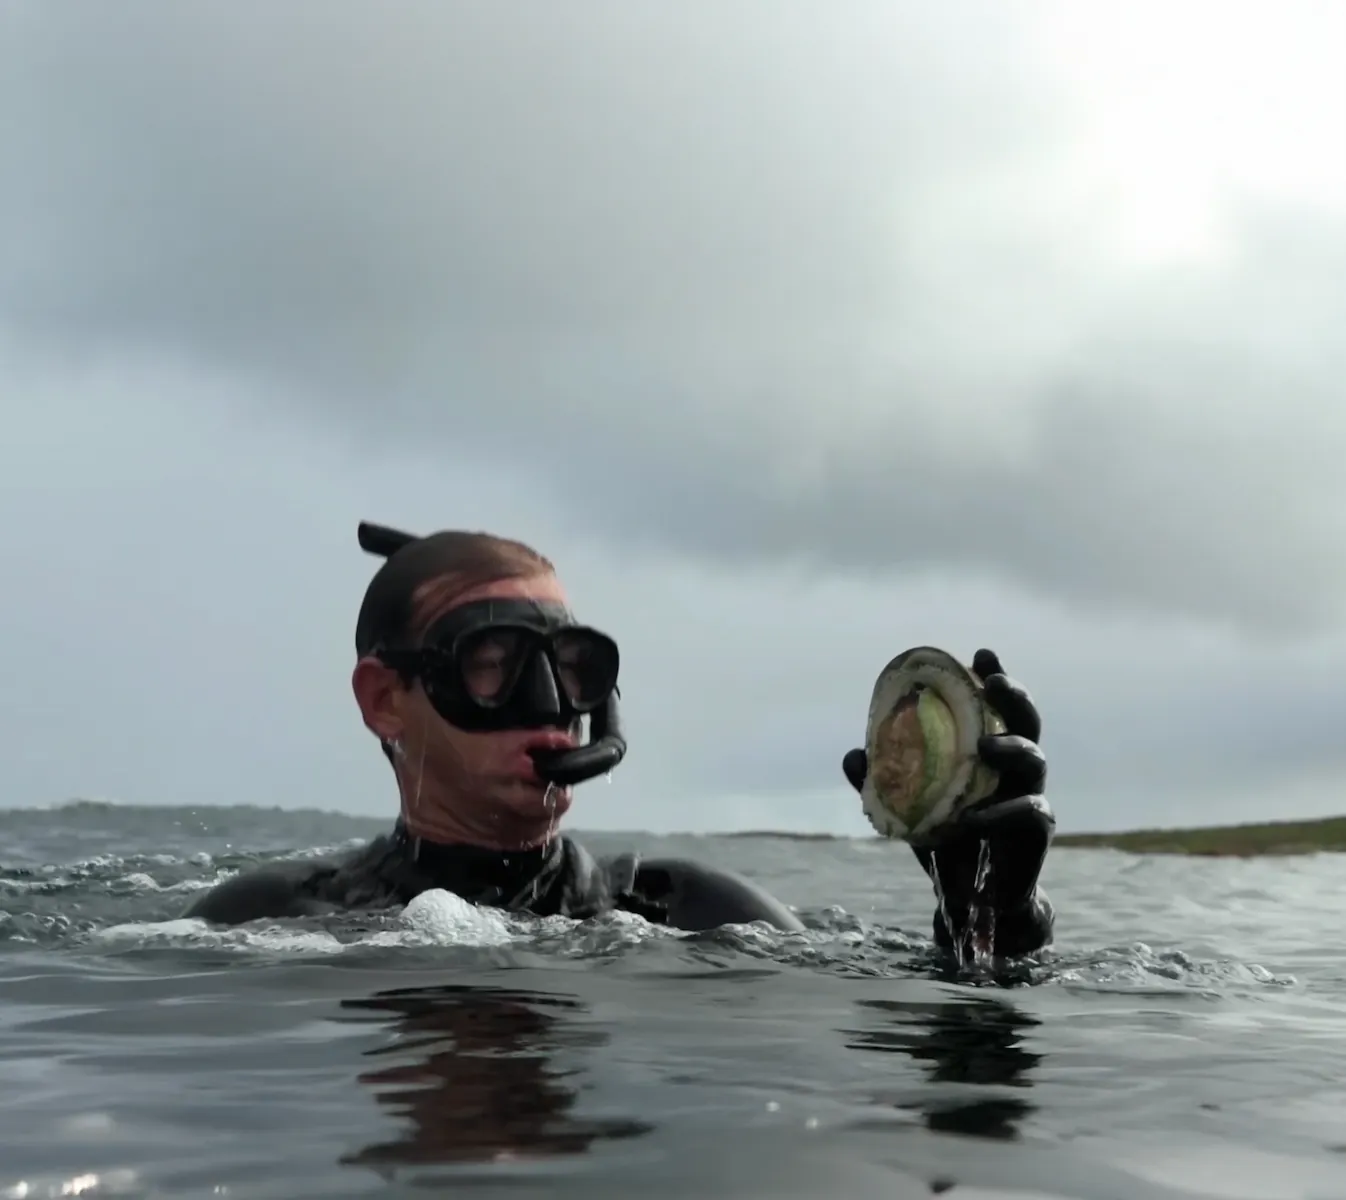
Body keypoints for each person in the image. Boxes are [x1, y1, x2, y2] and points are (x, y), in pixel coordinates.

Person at [184, 522, 1055, 958]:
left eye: (572, 664)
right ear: (386, 699)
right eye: (492, 662)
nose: (551, 705)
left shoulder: (695, 916)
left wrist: (984, 927)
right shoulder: (266, 924)